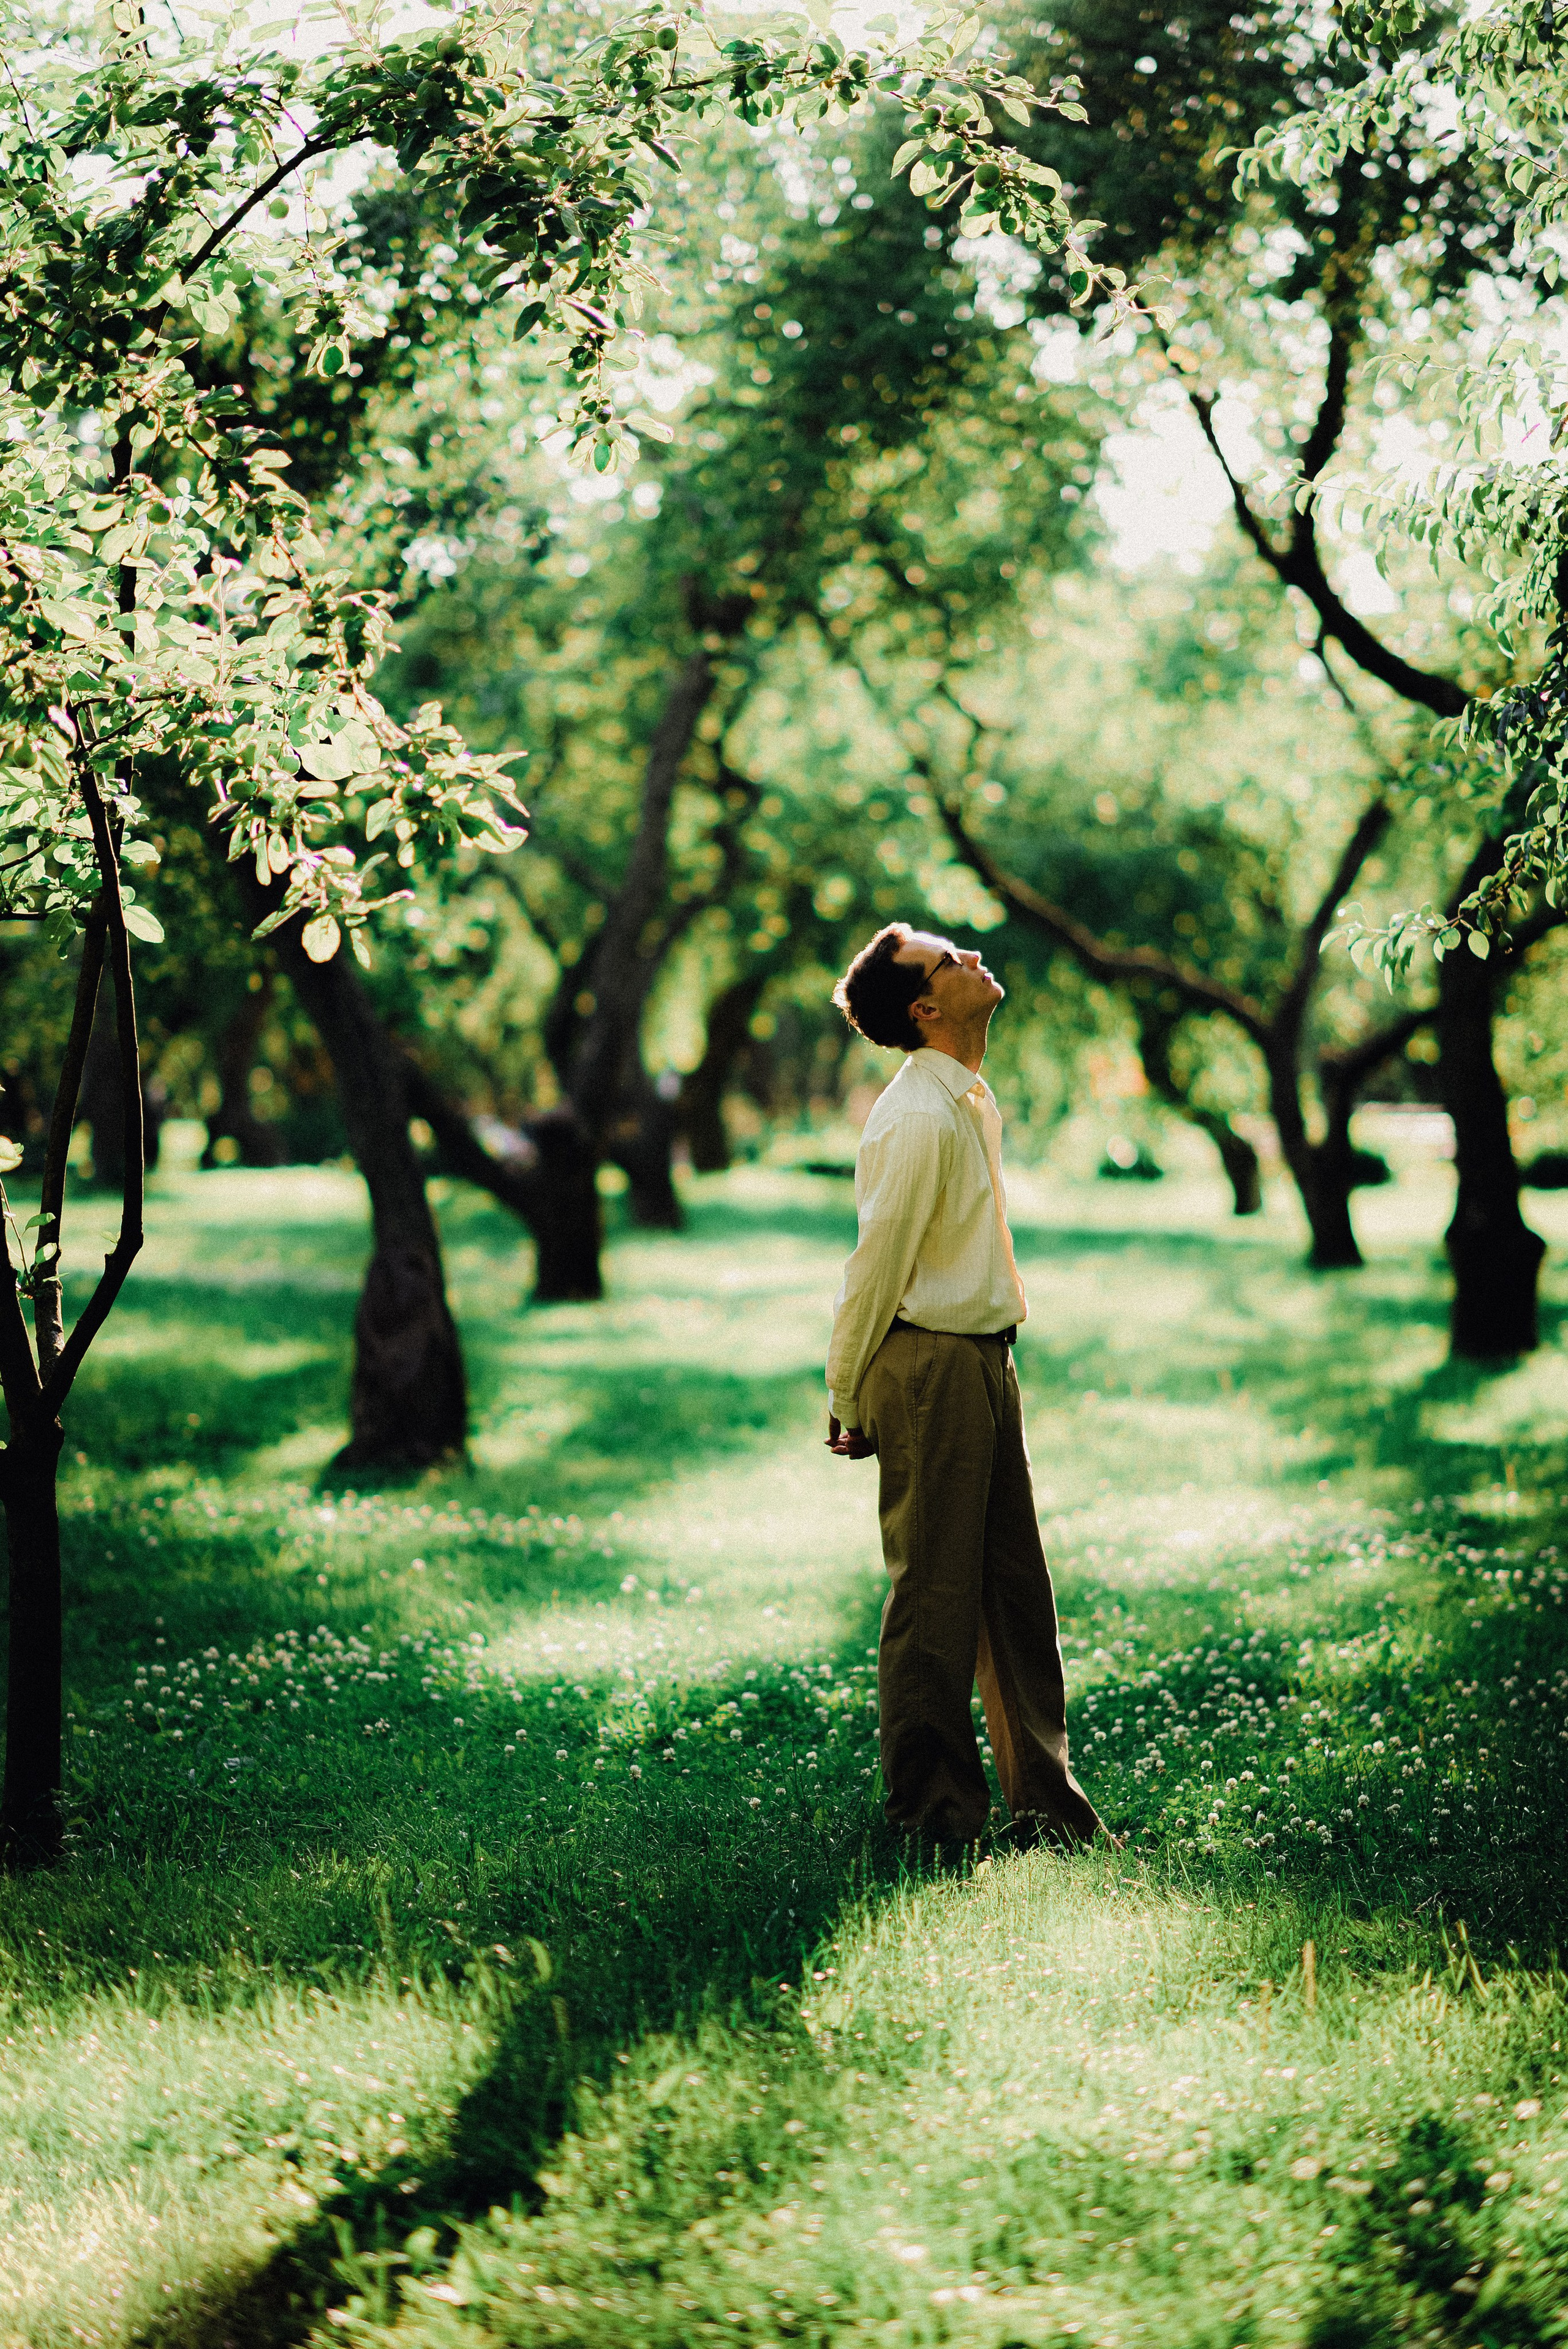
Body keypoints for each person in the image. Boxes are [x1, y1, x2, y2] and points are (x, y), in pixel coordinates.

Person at [825, 921, 1109, 1855]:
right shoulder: (915, 1114)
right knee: (936, 1595)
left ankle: (1047, 1806)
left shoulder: (965, 1098)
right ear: (925, 1007)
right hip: (930, 1363)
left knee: (1015, 1591)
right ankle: (932, 1814)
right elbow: (878, 1267)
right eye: (949, 960)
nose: (975, 958)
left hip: (985, 1356)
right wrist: (847, 1391)